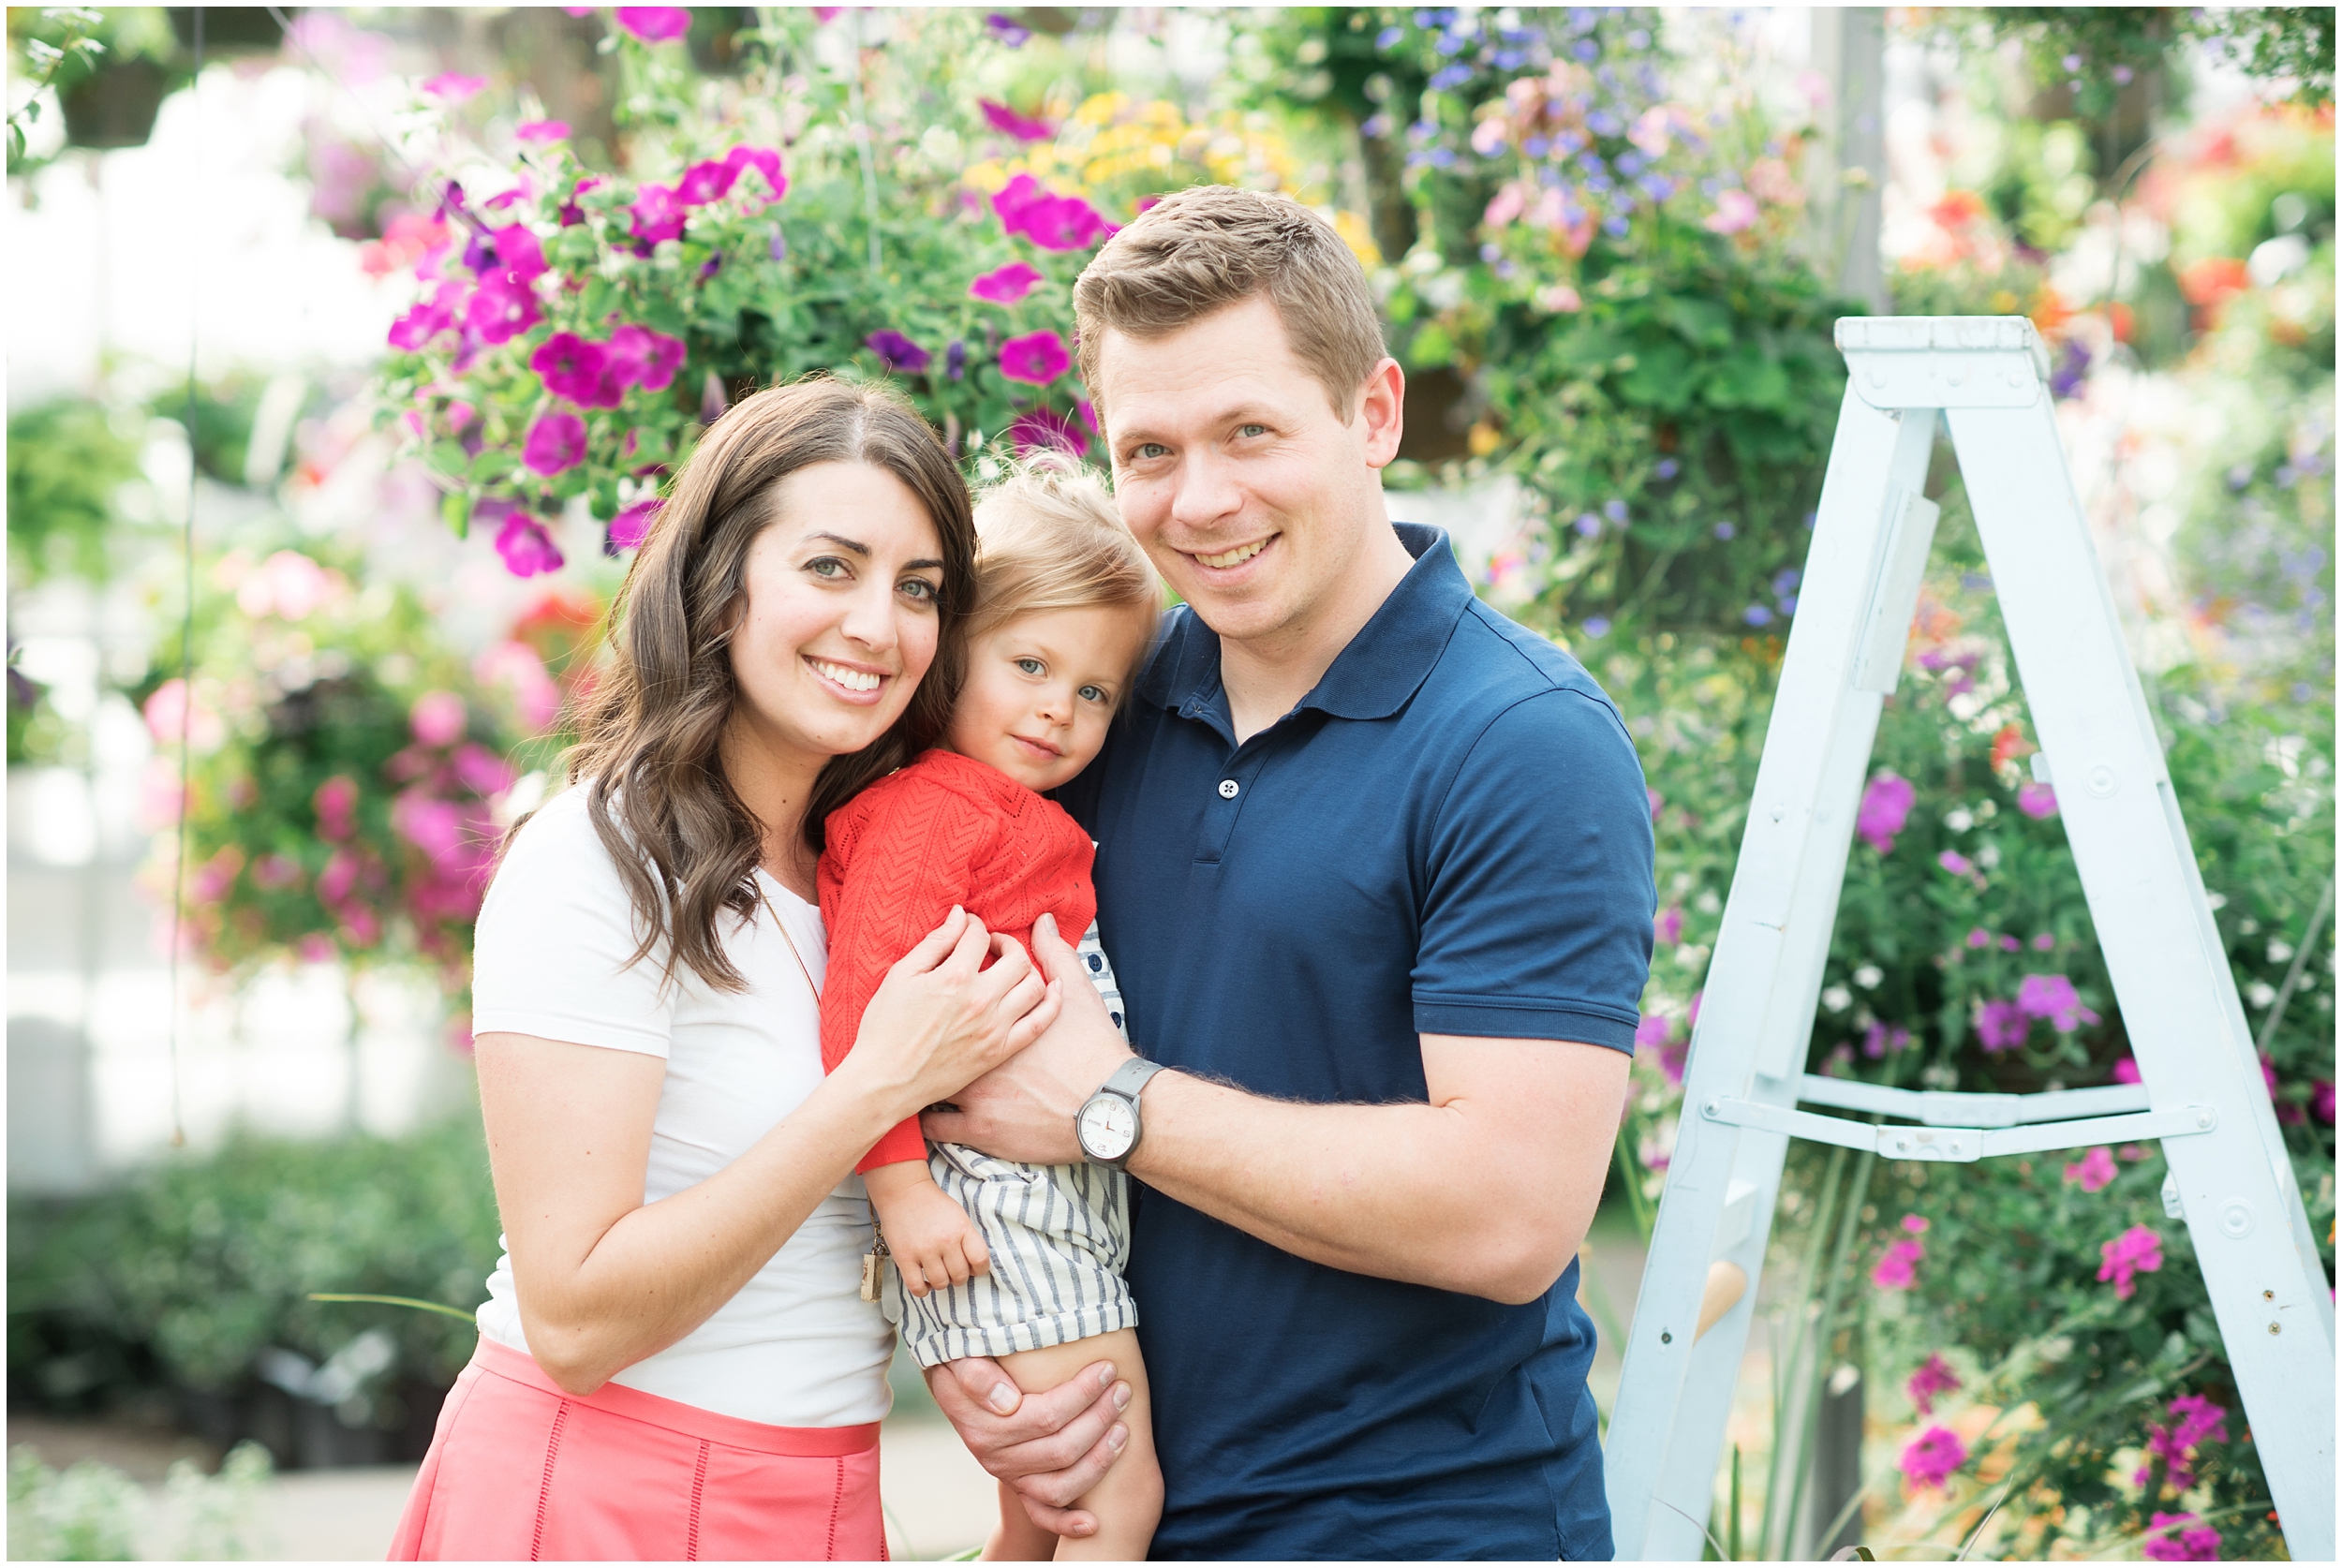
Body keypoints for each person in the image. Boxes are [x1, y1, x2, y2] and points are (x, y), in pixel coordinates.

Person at [918, 186, 1657, 1559]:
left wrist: (1108, 1104)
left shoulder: (1521, 741)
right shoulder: (1097, 705)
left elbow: (1510, 1211)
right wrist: (982, 1346)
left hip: (1426, 1527)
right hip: (1125, 1516)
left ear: (1374, 416)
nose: (1200, 501)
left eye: (1250, 431)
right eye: (1150, 449)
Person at [387, 379, 1124, 1561]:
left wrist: (1028, 1495)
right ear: (719, 578)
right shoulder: (599, 858)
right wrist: (876, 1087)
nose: (879, 628)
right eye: (830, 568)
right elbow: (575, 1319)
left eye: (919, 589)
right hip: (601, 1494)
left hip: (818, 1501)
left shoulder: (873, 863)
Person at [816, 457, 1164, 1561]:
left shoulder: (1002, 806)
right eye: (1028, 664)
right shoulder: (933, 810)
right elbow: (863, 1007)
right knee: (1116, 1504)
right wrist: (903, 1188)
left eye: (1095, 690)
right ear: (951, 654)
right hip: (990, 1207)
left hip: (1038, 1198)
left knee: (1039, 1515)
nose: (1059, 708)